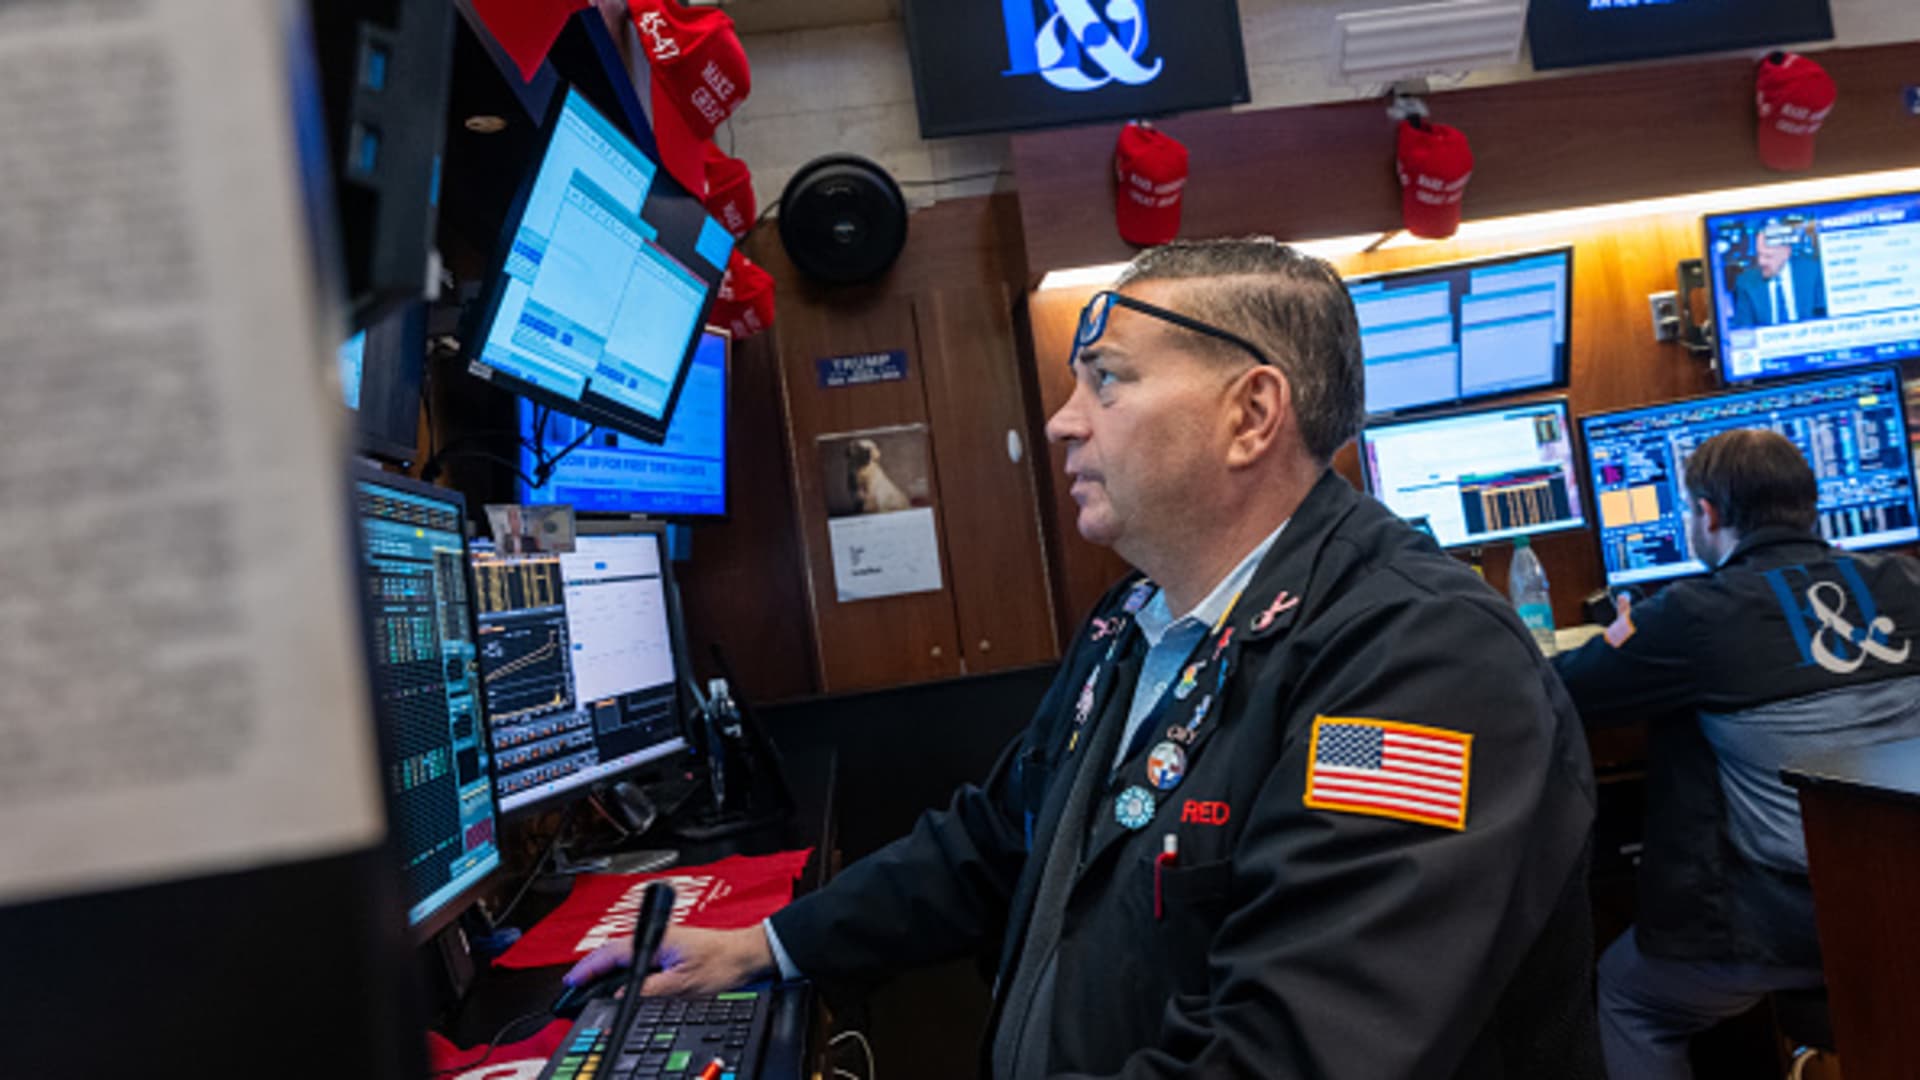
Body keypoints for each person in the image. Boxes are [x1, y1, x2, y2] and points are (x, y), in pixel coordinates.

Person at [568, 238, 1603, 1077]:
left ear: (1250, 415)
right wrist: (766, 947)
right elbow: (997, 840)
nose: (1063, 422)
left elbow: (1296, 1050)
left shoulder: (1422, 664)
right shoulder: (1134, 622)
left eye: (1106, 380)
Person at [1553, 428, 1920, 1080]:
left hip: (1795, 922)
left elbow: (1565, 691)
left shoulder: (1692, 614)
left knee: (1631, 999)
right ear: (1811, 504)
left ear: (1708, 514)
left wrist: (1623, 630)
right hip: (1907, 893)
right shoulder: (1907, 580)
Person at [1731, 227, 1825, 328]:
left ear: (1786, 253)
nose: (1761, 262)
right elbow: (1744, 330)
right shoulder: (1746, 283)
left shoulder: (1812, 271)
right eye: (1759, 255)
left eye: (1768, 256)